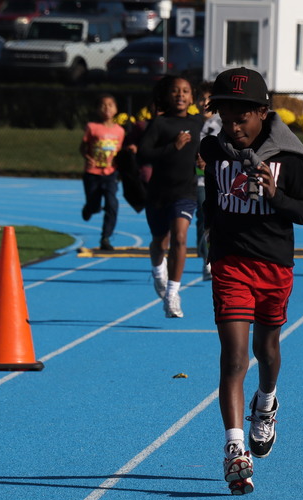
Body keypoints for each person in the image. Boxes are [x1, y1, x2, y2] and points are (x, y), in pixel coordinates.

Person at [199, 67, 303, 495]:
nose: (233, 128)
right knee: (234, 357)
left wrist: (274, 194)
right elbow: (213, 202)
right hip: (231, 265)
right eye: (225, 119)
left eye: (242, 119)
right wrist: (210, 237)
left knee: (265, 351)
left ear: (263, 114)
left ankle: (266, 402)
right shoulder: (213, 151)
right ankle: (235, 449)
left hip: (274, 266)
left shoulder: (288, 159)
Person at [137, 74, 203, 318]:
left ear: (192, 97)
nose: (180, 95)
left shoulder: (197, 124)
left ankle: (173, 295)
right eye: (175, 91)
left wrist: (202, 163)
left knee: (180, 238)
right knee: (159, 241)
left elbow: (200, 154)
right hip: (158, 193)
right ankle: (158, 272)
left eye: (185, 91)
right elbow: (142, 155)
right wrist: (172, 147)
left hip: (185, 191)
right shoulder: (159, 124)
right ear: (166, 95)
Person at [80, 93, 126, 251]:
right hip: (92, 173)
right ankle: (89, 209)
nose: (107, 108)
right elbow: (83, 147)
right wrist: (88, 157)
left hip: (111, 173)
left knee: (112, 204)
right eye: (103, 105)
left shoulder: (120, 131)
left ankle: (105, 237)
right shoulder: (92, 127)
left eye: (110, 105)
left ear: (116, 109)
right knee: (94, 205)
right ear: (98, 109)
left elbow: (121, 152)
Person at [194, 80, 221, 281]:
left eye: (209, 99)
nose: (204, 103)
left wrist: (209, 159)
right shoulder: (191, 123)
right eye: (201, 99)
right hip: (195, 180)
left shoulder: (223, 124)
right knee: (203, 218)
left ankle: (214, 259)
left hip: (218, 179)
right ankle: (206, 258)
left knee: (216, 219)